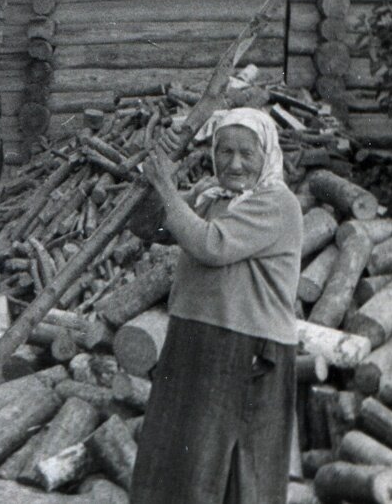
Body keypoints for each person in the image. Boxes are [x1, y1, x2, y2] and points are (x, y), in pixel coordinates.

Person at [129, 107, 303, 504]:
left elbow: (211, 245)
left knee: (236, 469)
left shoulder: (276, 203)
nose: (235, 163)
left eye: (247, 153)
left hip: (248, 348)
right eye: (225, 152)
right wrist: (153, 178)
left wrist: (168, 189)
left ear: (267, 154)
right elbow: (148, 226)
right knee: (178, 459)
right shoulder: (212, 196)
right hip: (195, 336)